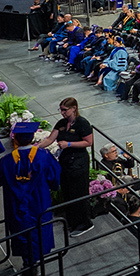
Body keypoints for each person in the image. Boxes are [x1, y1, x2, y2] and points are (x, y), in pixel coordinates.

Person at [0, 122, 61, 269]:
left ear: (15, 139)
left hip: (16, 206)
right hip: (39, 203)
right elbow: (55, 178)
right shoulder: (44, 156)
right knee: (40, 230)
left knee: (22, 233)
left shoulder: (6, 161)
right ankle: (35, 264)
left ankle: (28, 264)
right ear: (33, 137)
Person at [40, 97, 96, 236]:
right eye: (61, 110)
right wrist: (33, 148)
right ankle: (72, 220)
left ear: (74, 108)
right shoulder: (61, 124)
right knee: (68, 191)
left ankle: (84, 223)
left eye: (65, 110)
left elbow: (88, 142)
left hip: (78, 162)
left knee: (78, 192)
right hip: (65, 162)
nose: (62, 113)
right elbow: (49, 139)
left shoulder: (82, 124)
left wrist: (69, 144)